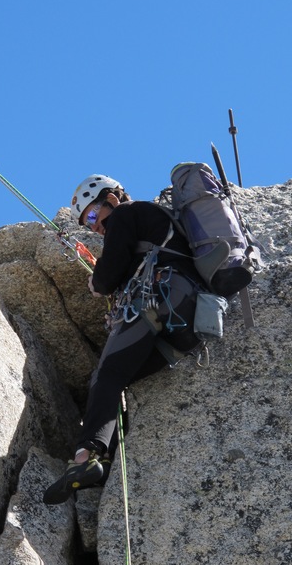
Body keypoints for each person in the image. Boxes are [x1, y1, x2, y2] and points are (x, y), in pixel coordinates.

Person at [43, 174, 204, 505]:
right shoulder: (152, 224)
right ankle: (104, 459)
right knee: (115, 379)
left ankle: (85, 458)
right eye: (87, 224)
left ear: (111, 200)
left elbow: (108, 273)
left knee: (107, 374)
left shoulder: (127, 213)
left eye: (91, 216)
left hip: (158, 302)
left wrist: (98, 282)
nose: (93, 227)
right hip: (185, 317)